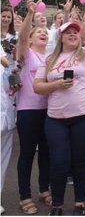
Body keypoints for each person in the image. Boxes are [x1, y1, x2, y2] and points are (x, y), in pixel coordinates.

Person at [33, 0, 85, 216]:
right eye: (68, 32)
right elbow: (37, 86)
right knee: (59, 161)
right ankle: (57, 203)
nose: (72, 34)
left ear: (80, 37)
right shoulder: (50, 59)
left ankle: (80, 202)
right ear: (60, 37)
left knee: (80, 161)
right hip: (56, 119)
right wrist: (57, 84)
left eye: (76, 32)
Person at [15, 0, 51, 214]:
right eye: (39, 32)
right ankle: (24, 195)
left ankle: (44, 189)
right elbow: (21, 38)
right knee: (27, 153)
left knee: (46, 152)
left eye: (45, 32)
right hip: (28, 111)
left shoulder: (49, 58)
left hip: (48, 111)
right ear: (31, 37)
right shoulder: (26, 54)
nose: (44, 33)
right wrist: (30, 14)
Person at [1, 43, 16, 216]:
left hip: (6, 118)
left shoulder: (3, 69)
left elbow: (8, 89)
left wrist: (13, 85)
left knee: (2, 161)